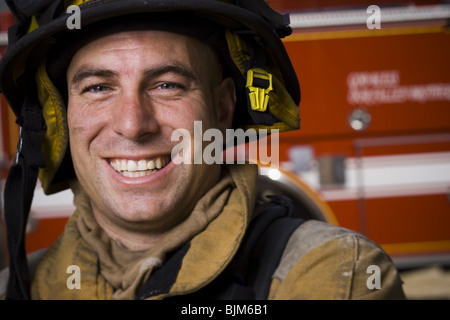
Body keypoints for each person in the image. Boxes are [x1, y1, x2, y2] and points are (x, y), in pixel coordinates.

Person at [0, 0, 405, 300]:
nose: (132, 124)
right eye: (98, 88)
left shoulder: (334, 276)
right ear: (62, 119)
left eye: (167, 84)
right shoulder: (17, 288)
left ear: (224, 107)